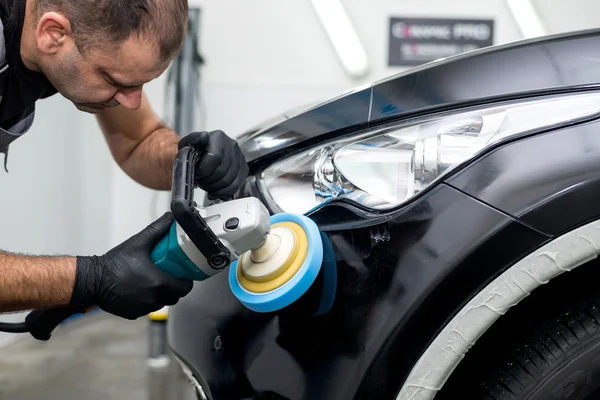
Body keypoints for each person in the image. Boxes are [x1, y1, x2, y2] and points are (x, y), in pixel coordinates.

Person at [0, 0, 249, 320]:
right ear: (53, 35)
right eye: (116, 81)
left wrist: (189, 161)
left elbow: (140, 141)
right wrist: (91, 279)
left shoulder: (78, 38)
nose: (131, 103)